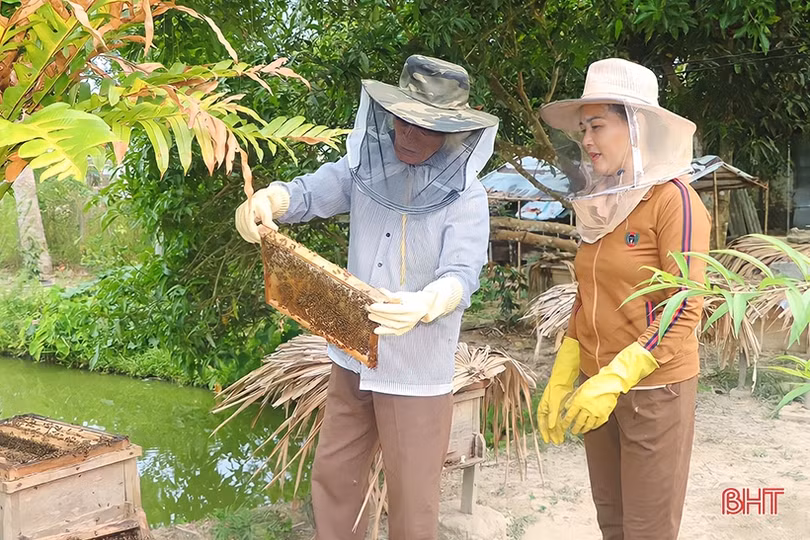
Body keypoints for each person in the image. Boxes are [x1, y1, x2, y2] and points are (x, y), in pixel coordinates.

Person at [234, 55, 499, 540]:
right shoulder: (365, 167)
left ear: (451, 133)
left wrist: (427, 303)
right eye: (403, 119)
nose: (408, 134)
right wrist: (270, 199)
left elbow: (462, 274)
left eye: (425, 126)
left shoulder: (467, 195)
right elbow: (309, 193)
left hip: (416, 368)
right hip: (352, 353)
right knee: (336, 477)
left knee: (413, 501)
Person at [535, 58, 711, 540]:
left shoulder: (674, 200)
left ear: (636, 128)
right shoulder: (601, 203)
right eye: (582, 130)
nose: (587, 141)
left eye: (597, 126)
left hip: (654, 389)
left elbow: (684, 303)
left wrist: (618, 376)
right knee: (612, 523)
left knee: (647, 529)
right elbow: (588, 293)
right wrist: (567, 368)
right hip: (596, 385)